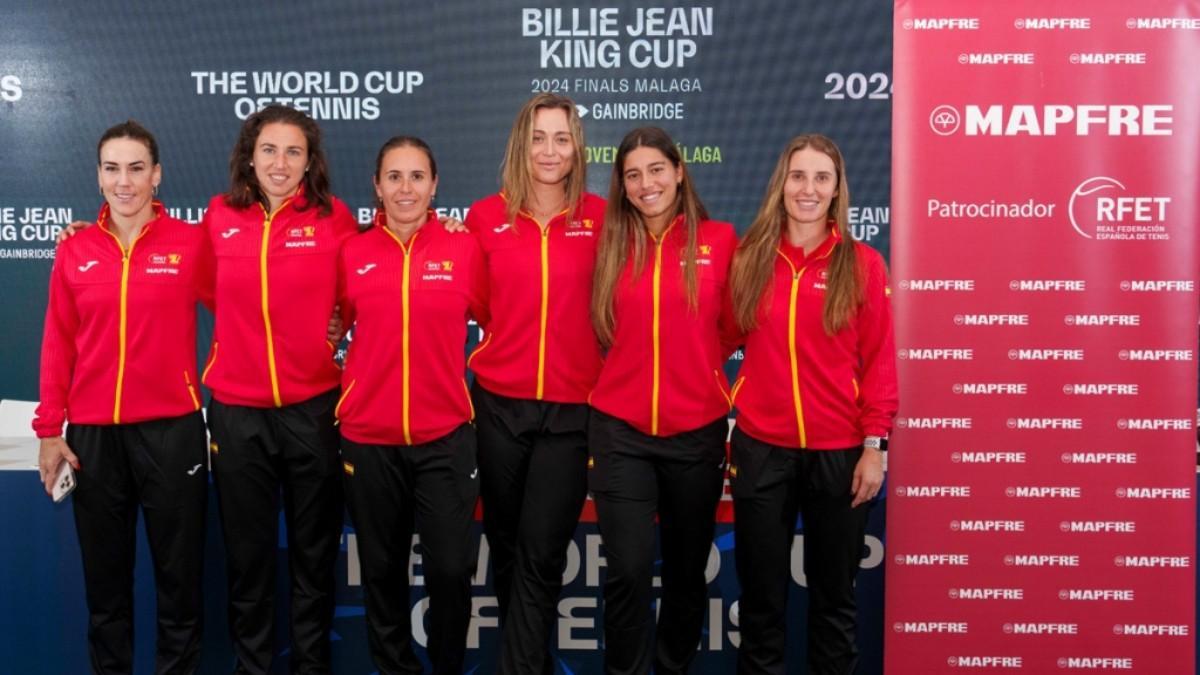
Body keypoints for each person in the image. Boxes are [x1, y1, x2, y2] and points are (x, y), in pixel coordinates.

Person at [34, 120, 212, 674]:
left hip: (173, 432)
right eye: (112, 168)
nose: (124, 181)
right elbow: (58, 342)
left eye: (137, 168)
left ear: (157, 176)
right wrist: (48, 430)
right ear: (98, 175)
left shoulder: (192, 243)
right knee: (106, 591)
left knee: (179, 586)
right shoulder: (76, 249)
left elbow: (250, 305)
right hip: (93, 437)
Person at [726, 134, 896, 675]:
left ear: (836, 189)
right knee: (760, 605)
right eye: (798, 176)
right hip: (761, 451)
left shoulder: (862, 263)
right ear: (782, 183)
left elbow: (880, 362)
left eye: (822, 178)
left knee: (833, 606)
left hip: (839, 453)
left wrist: (876, 446)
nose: (808, 189)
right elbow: (713, 334)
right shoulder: (751, 256)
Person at [201, 104, 358, 674]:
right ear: (248, 155)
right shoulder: (219, 217)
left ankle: (312, 667)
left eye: (294, 151)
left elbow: (360, 288)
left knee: (314, 556)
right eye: (268, 149)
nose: (280, 162)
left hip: (313, 409)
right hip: (238, 413)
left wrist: (329, 329)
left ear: (310, 161)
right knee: (249, 559)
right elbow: (204, 289)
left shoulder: (334, 217)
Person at [587, 126, 739, 675]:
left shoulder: (720, 241)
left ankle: (672, 668)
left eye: (656, 170)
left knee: (684, 571)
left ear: (679, 172)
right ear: (622, 186)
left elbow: (735, 326)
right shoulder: (608, 243)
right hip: (620, 432)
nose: (646, 183)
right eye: (633, 175)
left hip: (696, 432)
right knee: (626, 570)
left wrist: (696, 369)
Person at [463, 93, 607, 674]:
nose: (549, 151)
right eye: (539, 138)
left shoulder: (603, 217)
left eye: (561, 138)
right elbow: (470, 301)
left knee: (543, 552)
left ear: (577, 150)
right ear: (521, 145)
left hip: (572, 413)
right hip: (499, 405)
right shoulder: (481, 217)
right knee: (506, 548)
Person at [336, 136, 487, 674]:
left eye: (417, 176)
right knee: (381, 572)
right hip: (368, 440)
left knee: (450, 570)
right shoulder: (350, 251)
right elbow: (329, 320)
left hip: (445, 438)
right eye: (394, 177)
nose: (405, 188)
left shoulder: (464, 248)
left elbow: (503, 318)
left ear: (434, 185)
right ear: (376, 186)